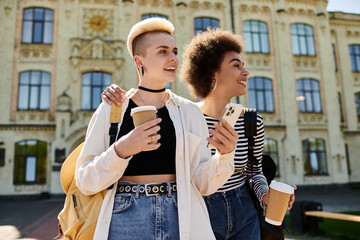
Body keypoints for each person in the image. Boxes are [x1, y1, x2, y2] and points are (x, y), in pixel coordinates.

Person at [103, 28, 296, 240]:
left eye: (244, 66)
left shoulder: (251, 121)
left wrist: (265, 196)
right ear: (213, 73)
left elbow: (253, 171)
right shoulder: (185, 116)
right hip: (200, 209)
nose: (246, 72)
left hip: (244, 210)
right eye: (236, 66)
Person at [75, 18, 239, 240]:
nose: (173, 58)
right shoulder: (112, 109)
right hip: (125, 215)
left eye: (174, 51)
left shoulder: (189, 112)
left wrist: (224, 156)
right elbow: (85, 181)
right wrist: (122, 149)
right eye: (162, 51)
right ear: (139, 60)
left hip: (180, 216)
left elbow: (201, 184)